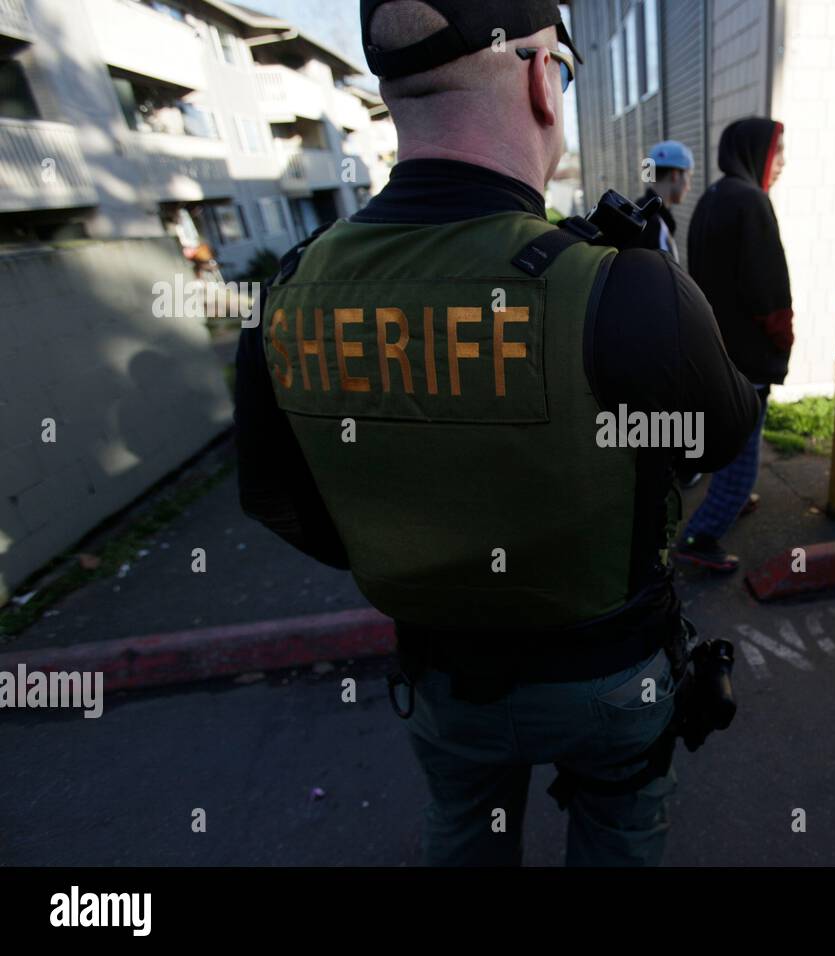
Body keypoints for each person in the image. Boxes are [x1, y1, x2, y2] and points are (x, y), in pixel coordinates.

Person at [234, 0, 760, 866]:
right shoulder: (622, 288)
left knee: (464, 837)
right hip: (609, 671)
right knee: (622, 836)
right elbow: (720, 433)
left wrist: (414, 548)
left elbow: (282, 502)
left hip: (444, 680)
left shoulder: (289, 294)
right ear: (538, 78)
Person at [672, 117, 791, 573]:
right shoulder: (752, 202)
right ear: (755, 152)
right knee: (745, 453)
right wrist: (784, 340)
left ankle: (731, 500)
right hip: (750, 357)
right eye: (777, 152)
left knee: (732, 434)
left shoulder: (713, 197)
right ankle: (701, 537)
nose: (782, 163)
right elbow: (770, 294)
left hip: (718, 351)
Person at [634, 140, 694, 262]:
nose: (689, 187)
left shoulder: (638, 210)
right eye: (689, 176)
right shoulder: (657, 227)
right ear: (675, 175)